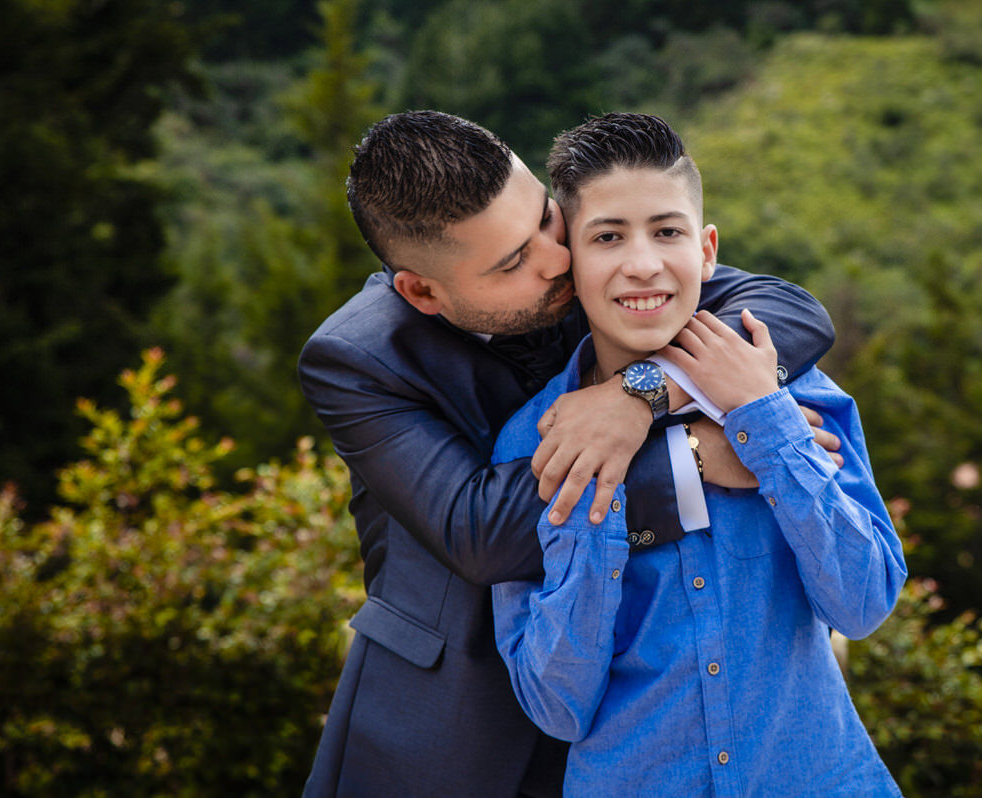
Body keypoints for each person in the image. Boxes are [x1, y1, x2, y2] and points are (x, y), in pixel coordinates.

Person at [297, 110, 839, 797]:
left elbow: (788, 312)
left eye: (546, 222)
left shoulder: (590, 265)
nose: (558, 260)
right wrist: (695, 461)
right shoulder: (356, 359)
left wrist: (642, 392)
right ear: (423, 291)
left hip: (643, 718)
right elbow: (482, 532)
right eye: (513, 261)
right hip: (452, 726)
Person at [490, 113, 907, 796]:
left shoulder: (792, 386)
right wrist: (606, 491)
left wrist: (765, 422)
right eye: (608, 237)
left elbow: (863, 603)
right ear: (571, 265)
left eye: (668, 231)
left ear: (707, 249)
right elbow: (555, 706)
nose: (644, 263)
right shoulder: (532, 441)